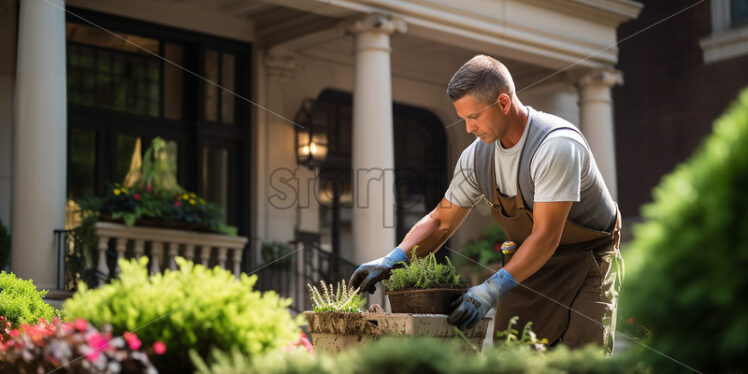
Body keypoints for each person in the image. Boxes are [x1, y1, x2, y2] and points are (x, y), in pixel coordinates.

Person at [349, 54, 624, 353]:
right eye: (463, 118)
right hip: (528, 263)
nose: (468, 128)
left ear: (503, 103)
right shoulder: (476, 157)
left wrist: (490, 289)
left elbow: (546, 237)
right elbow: (441, 221)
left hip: (587, 262)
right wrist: (392, 259)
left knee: (582, 360)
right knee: (511, 360)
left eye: (474, 117)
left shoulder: (556, 145)